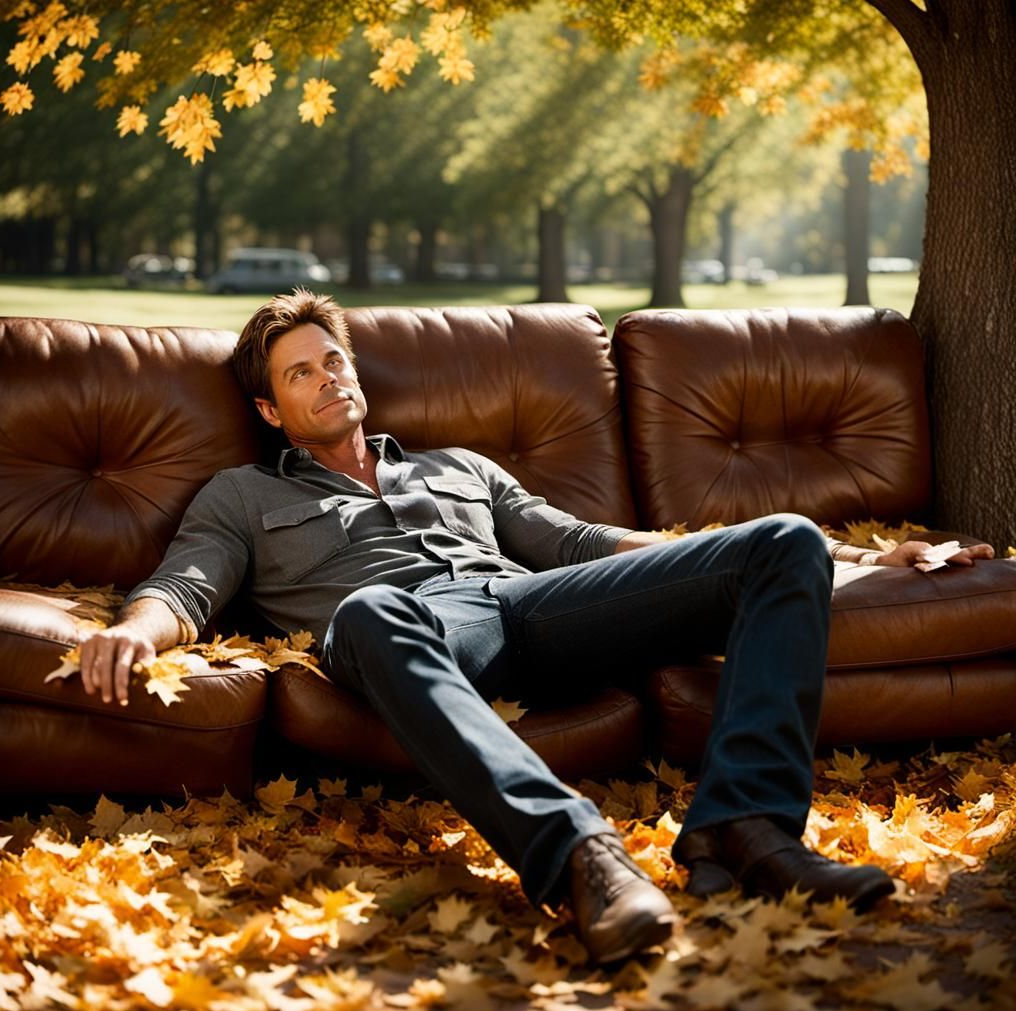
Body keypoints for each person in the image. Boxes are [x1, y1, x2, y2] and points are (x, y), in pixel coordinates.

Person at [79, 290, 994, 964]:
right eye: (301, 374)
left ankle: (748, 830)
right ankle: (580, 858)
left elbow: (586, 542)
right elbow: (186, 585)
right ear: (270, 410)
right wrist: (136, 632)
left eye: (335, 362)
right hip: (407, 630)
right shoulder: (242, 495)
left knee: (783, 540)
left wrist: (868, 557)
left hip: (535, 607)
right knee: (368, 611)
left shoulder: (459, 467)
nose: (329, 380)